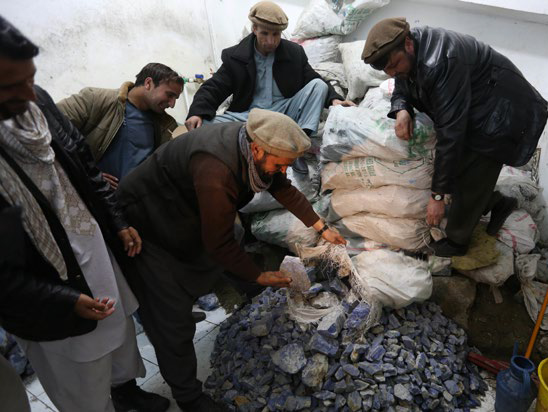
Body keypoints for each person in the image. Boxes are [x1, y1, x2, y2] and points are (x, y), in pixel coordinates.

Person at [117, 108, 346, 411]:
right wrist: (258, 275)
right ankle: (188, 397)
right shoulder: (216, 169)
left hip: (181, 212)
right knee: (170, 314)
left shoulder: (255, 146)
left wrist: (321, 227)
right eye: (279, 164)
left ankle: (242, 290)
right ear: (256, 150)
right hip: (143, 225)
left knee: (231, 244)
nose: (282, 170)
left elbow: (282, 187)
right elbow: (217, 243)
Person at [0, 16, 168, 412]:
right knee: (79, 371)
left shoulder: (35, 102)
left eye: (31, 79)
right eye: (11, 85)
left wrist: (117, 222)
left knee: (117, 330)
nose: (30, 93)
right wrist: (61, 299)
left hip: (90, 245)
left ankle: (126, 392)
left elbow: (84, 166)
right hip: (45, 286)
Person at [361, 17, 548, 257]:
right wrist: (401, 109)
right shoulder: (406, 54)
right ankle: (497, 203)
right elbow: (401, 83)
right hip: (476, 108)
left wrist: (437, 197)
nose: (393, 72)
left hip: (501, 112)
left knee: (471, 174)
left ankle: (457, 242)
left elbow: (451, 133)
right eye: (387, 70)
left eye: (394, 65)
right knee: (456, 171)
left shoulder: (442, 61)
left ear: (408, 43)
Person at [185, 1, 354, 173]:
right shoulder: (235, 56)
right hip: (249, 117)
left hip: (284, 113)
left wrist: (334, 100)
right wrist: (197, 111)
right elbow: (214, 87)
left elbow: (312, 78)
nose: (270, 41)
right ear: (254, 29)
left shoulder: (294, 53)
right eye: (264, 33)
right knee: (203, 125)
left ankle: (295, 148)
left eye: (276, 35)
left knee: (318, 86)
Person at [57, 63, 183, 189]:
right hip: (88, 194)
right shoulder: (96, 99)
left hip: (130, 203)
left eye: (176, 98)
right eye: (170, 95)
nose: (172, 104)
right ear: (148, 83)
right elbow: (52, 125)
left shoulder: (166, 127)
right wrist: (87, 172)